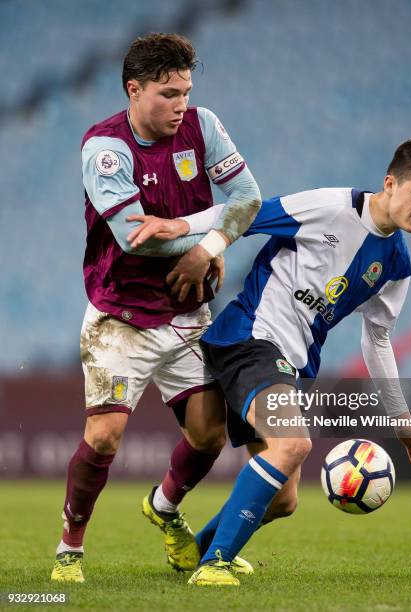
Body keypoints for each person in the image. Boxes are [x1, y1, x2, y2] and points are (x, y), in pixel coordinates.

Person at [140, 138, 411, 586]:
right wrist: (180, 229)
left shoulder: (396, 263)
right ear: (391, 183)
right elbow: (247, 213)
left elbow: (378, 338)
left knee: (284, 500)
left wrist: (401, 419)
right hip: (252, 338)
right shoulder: (330, 207)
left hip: (293, 363)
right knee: (292, 445)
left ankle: (202, 550)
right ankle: (214, 567)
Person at [50, 33, 261, 583]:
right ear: (134, 90)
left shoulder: (203, 126)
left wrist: (205, 246)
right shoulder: (105, 148)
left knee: (210, 435)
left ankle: (164, 507)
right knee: (104, 438)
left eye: (187, 92)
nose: (181, 105)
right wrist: (199, 242)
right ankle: (70, 547)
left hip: (188, 312)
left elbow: (250, 200)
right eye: (169, 94)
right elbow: (134, 239)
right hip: (121, 316)